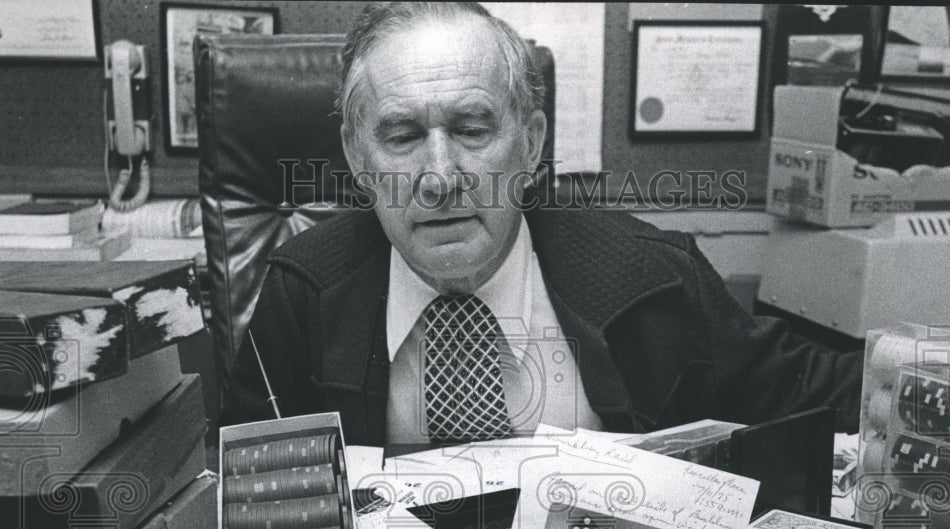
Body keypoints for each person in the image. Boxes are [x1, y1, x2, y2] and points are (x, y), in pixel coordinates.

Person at [223, 0, 863, 448]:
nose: (439, 177)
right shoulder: (300, 295)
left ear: (530, 145)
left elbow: (827, 396)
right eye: (402, 136)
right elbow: (247, 500)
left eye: (473, 130)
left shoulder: (656, 277)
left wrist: (908, 375)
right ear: (359, 158)